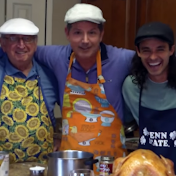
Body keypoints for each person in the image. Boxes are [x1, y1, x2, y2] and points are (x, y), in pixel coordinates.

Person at [0, 3, 135, 173]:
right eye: (78, 32)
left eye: (92, 32)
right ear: (67, 34)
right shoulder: (56, 57)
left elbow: (153, 59)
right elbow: (19, 50)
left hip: (111, 165)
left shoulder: (122, 59)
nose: (85, 40)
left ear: (101, 34)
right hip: (69, 166)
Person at [0, 18, 59, 164]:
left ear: (35, 43)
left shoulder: (49, 75)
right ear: (3, 44)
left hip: (44, 168)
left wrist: (60, 136)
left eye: (27, 39)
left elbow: (70, 111)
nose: (21, 45)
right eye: (14, 38)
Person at [122, 22, 176, 171]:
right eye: (146, 50)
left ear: (171, 50)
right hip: (146, 171)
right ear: (138, 52)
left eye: (160, 49)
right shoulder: (131, 87)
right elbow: (126, 122)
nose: (153, 57)